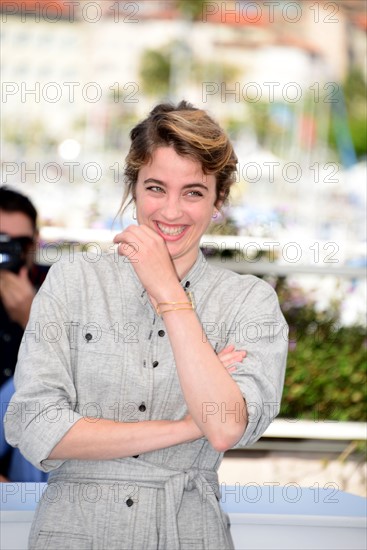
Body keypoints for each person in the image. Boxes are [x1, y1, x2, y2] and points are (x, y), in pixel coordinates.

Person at [5, 101, 287, 549]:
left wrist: (170, 295)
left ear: (218, 200)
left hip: (187, 532)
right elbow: (33, 424)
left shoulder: (249, 302)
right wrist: (186, 427)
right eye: (156, 187)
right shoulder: (73, 281)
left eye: (193, 192)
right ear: (133, 188)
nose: (171, 211)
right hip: (73, 533)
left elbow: (226, 424)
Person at [0, 186, 48, 482]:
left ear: (34, 244)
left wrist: (33, 317)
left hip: (30, 443)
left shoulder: (55, 285)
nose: (7, 253)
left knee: (38, 393)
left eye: (17, 243)